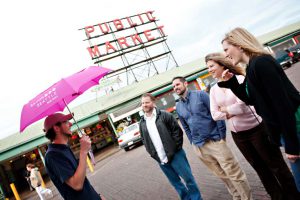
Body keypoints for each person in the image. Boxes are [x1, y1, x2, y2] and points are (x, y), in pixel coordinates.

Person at [219, 27, 300, 197]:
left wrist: (292, 144)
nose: (225, 55)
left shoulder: (261, 63)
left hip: (294, 126)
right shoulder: (252, 67)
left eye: (226, 49)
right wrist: (232, 82)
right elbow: (252, 99)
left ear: (239, 45)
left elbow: (282, 105)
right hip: (289, 129)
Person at [172, 77, 252, 200]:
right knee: (222, 175)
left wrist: (221, 136)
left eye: (177, 84)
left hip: (215, 140)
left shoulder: (201, 95)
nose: (176, 87)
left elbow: (215, 113)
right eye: (174, 86)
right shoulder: (178, 107)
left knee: (234, 173)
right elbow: (185, 127)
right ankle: (237, 197)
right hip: (200, 146)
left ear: (185, 83)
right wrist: (192, 142)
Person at [139, 93, 202, 200]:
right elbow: (144, 140)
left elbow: (177, 132)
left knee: (188, 180)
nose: (144, 105)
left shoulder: (164, 115)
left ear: (153, 103)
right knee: (176, 183)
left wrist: (175, 149)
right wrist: (153, 154)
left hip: (176, 155)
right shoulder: (142, 122)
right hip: (161, 159)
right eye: (143, 103)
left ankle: (197, 198)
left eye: (147, 102)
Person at [44, 112, 102, 200]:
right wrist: (83, 152)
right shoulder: (52, 155)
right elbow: (77, 184)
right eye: (66, 122)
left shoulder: (64, 148)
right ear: (56, 128)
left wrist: (98, 196)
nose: (71, 124)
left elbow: (82, 179)